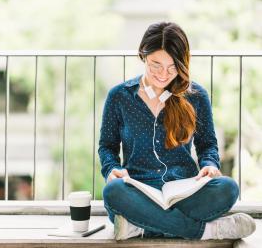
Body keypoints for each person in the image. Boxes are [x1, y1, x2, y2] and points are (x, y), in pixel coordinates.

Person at [99, 22, 256, 240]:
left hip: (184, 191)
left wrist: (209, 165)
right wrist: (111, 169)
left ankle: (140, 226)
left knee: (228, 189)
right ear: (143, 55)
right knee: (113, 192)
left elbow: (207, 144)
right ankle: (208, 230)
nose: (164, 74)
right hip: (139, 192)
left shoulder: (196, 96)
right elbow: (107, 146)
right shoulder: (119, 96)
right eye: (156, 65)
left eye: (173, 67)